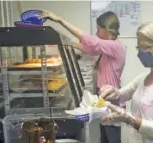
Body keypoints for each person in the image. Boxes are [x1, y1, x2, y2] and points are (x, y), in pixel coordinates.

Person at [40, 11, 127, 143]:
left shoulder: (116, 46)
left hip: (112, 99)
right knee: (104, 137)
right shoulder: (108, 47)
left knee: (112, 137)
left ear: (107, 30)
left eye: (98, 29)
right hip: (104, 97)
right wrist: (65, 42)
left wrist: (60, 20)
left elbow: (90, 41)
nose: (97, 32)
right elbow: (88, 49)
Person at [99, 21, 153, 143]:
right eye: (138, 48)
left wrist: (127, 118)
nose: (140, 53)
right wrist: (112, 92)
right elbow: (122, 95)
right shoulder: (143, 78)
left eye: (145, 47)